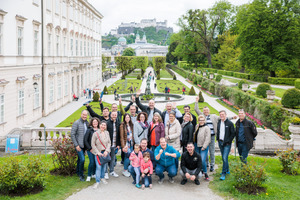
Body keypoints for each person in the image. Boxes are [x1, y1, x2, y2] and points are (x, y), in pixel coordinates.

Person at [194, 97, 236, 172]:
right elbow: (196, 109)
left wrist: (232, 117)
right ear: (203, 111)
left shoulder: (213, 116)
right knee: (205, 151)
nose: (205, 111)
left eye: (207, 110)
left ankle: (212, 165)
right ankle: (206, 163)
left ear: (209, 111)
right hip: (204, 137)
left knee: (212, 151)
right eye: (204, 110)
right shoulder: (202, 116)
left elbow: (222, 117)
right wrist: (196, 101)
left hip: (212, 136)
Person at [91, 120, 111, 189]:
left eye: (104, 125)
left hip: (105, 152)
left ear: (106, 126)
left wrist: (107, 151)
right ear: (100, 125)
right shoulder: (95, 134)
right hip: (98, 153)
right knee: (98, 166)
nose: (103, 126)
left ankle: (102, 178)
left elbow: (109, 143)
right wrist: (97, 152)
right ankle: (97, 181)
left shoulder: (107, 133)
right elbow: (93, 144)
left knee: (104, 166)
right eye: (102, 125)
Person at [71, 110, 89, 181]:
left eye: (86, 115)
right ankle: (81, 175)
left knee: (79, 159)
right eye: (83, 114)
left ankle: (78, 172)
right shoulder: (76, 123)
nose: (84, 116)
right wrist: (76, 145)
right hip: (79, 145)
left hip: (84, 145)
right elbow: (72, 134)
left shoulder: (87, 123)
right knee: (82, 159)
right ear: (81, 114)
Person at [217, 110, 235, 180]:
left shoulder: (230, 123)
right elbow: (218, 131)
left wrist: (229, 141)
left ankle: (223, 173)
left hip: (227, 143)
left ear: (226, 115)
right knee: (224, 157)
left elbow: (233, 133)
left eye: (223, 114)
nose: (221, 116)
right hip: (220, 142)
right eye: (220, 114)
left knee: (224, 157)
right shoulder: (219, 122)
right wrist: (218, 139)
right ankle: (227, 170)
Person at [194, 115, 211, 180]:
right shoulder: (197, 126)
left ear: (204, 121)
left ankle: (206, 173)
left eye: (202, 120)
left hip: (203, 146)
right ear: (198, 120)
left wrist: (204, 146)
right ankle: (199, 171)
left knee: (202, 160)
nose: (201, 121)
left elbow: (208, 138)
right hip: (196, 145)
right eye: (200, 120)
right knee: (197, 159)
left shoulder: (206, 128)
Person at [84, 117, 100, 181]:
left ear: (98, 123)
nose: (95, 123)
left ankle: (94, 174)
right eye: (94, 122)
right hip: (90, 149)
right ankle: (89, 175)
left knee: (96, 162)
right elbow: (85, 140)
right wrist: (90, 148)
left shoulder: (100, 130)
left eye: (96, 122)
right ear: (92, 123)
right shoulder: (89, 130)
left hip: (98, 149)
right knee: (92, 162)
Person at [106, 111, 121, 179]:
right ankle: (105, 172)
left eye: (115, 115)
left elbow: (118, 135)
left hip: (114, 144)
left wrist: (118, 144)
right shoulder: (107, 123)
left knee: (112, 158)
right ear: (110, 115)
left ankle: (111, 171)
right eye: (113, 115)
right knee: (106, 159)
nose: (114, 116)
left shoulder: (118, 123)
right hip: (107, 145)